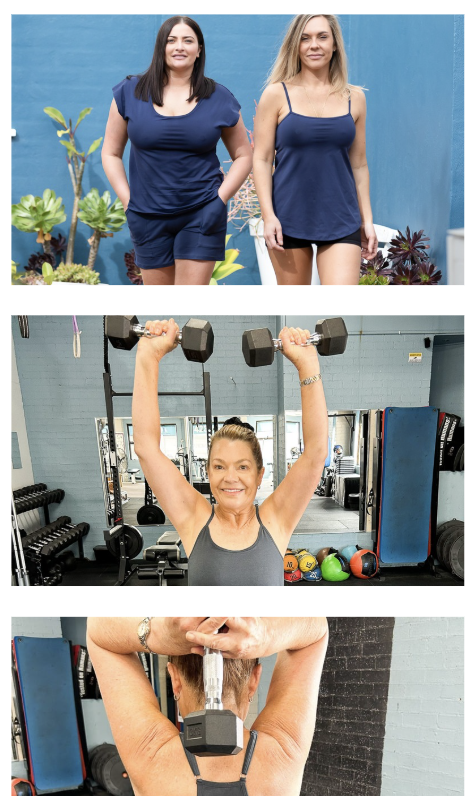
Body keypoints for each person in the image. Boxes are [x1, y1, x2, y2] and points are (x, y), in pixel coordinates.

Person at [86, 616, 329, 796]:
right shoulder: (283, 753)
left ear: (174, 681)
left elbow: (98, 633)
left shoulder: (152, 756)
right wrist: (266, 634)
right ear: (254, 680)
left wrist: (158, 632)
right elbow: (316, 631)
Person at [132, 319, 329, 586]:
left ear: (260, 475)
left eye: (243, 467)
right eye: (219, 466)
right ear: (208, 472)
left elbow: (316, 451)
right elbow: (145, 447)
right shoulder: (194, 518)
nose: (230, 477)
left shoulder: (276, 518)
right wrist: (148, 356)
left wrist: (308, 364)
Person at [102, 16, 252, 285]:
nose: (179, 46)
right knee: (159, 314)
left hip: (202, 212)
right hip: (146, 215)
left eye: (188, 40)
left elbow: (244, 155)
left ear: (199, 49)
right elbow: (110, 153)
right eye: (171, 40)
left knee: (189, 307)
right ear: (161, 47)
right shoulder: (130, 92)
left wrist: (220, 199)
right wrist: (129, 203)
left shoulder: (219, 98)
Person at [253, 14, 378, 285]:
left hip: (341, 217)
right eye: (305, 38)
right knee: (295, 312)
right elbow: (261, 159)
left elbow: (359, 164)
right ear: (295, 46)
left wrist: (367, 220)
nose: (314, 45)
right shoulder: (275, 94)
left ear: (334, 45)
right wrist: (268, 216)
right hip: (288, 218)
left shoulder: (354, 98)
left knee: (339, 309)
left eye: (322, 37)